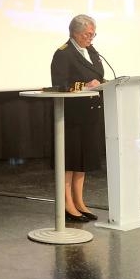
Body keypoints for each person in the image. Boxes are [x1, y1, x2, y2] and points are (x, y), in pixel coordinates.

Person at [50, 14, 104, 223]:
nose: (91, 38)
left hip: (89, 112)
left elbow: (99, 75)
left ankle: (79, 202)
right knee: (70, 160)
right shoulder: (63, 53)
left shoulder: (91, 51)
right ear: (75, 33)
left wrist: (101, 82)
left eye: (93, 34)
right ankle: (67, 205)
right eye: (88, 34)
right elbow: (60, 84)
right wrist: (85, 85)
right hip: (71, 115)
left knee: (82, 161)